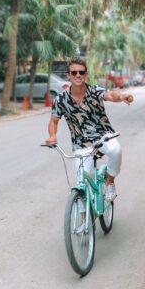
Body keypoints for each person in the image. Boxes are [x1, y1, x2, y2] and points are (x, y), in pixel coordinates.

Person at [45, 58, 133, 201]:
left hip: (103, 135)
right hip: (80, 143)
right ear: (68, 75)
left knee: (116, 150)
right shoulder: (60, 100)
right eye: (74, 72)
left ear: (86, 75)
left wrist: (122, 96)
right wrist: (52, 136)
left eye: (81, 72)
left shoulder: (94, 91)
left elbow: (111, 95)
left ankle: (109, 181)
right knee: (82, 185)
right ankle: (81, 221)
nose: (78, 75)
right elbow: (53, 122)